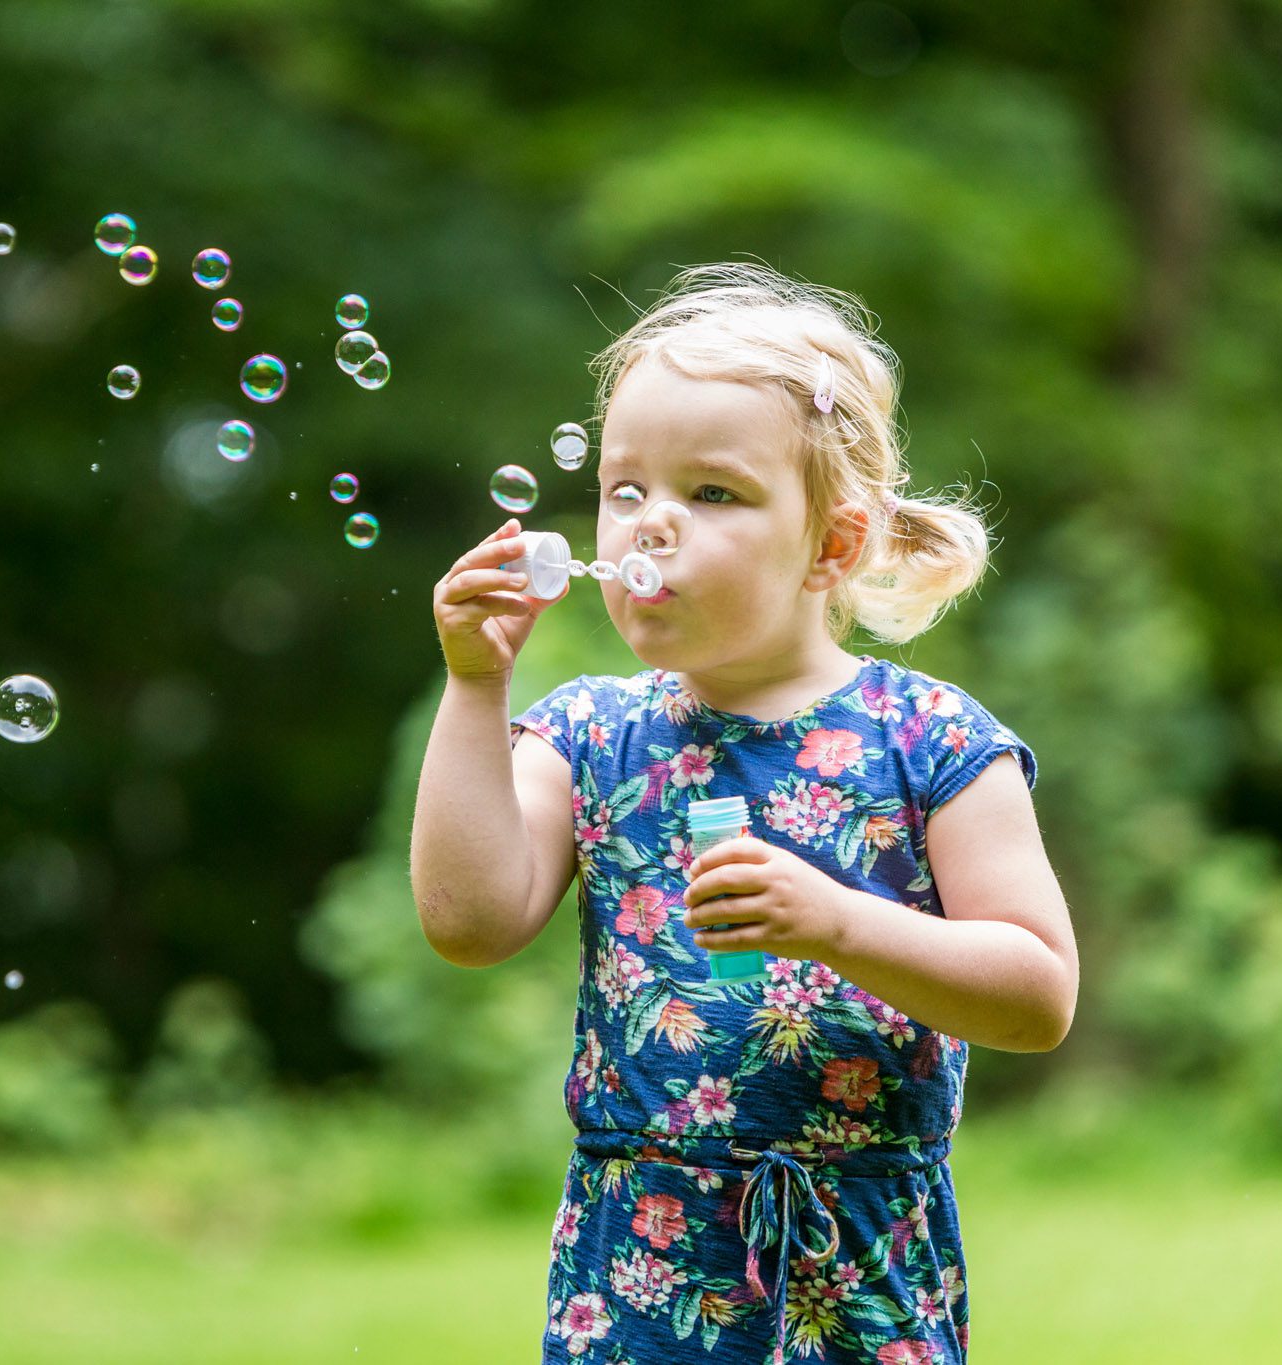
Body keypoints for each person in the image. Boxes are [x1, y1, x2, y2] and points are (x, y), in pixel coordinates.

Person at [411, 262, 1078, 1363]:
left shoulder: (932, 740)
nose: (647, 528)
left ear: (831, 544)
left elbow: (1036, 995)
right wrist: (473, 687)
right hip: (640, 1263)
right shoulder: (584, 735)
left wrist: (835, 923)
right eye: (624, 491)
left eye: (710, 493)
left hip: (857, 1261)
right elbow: (466, 920)